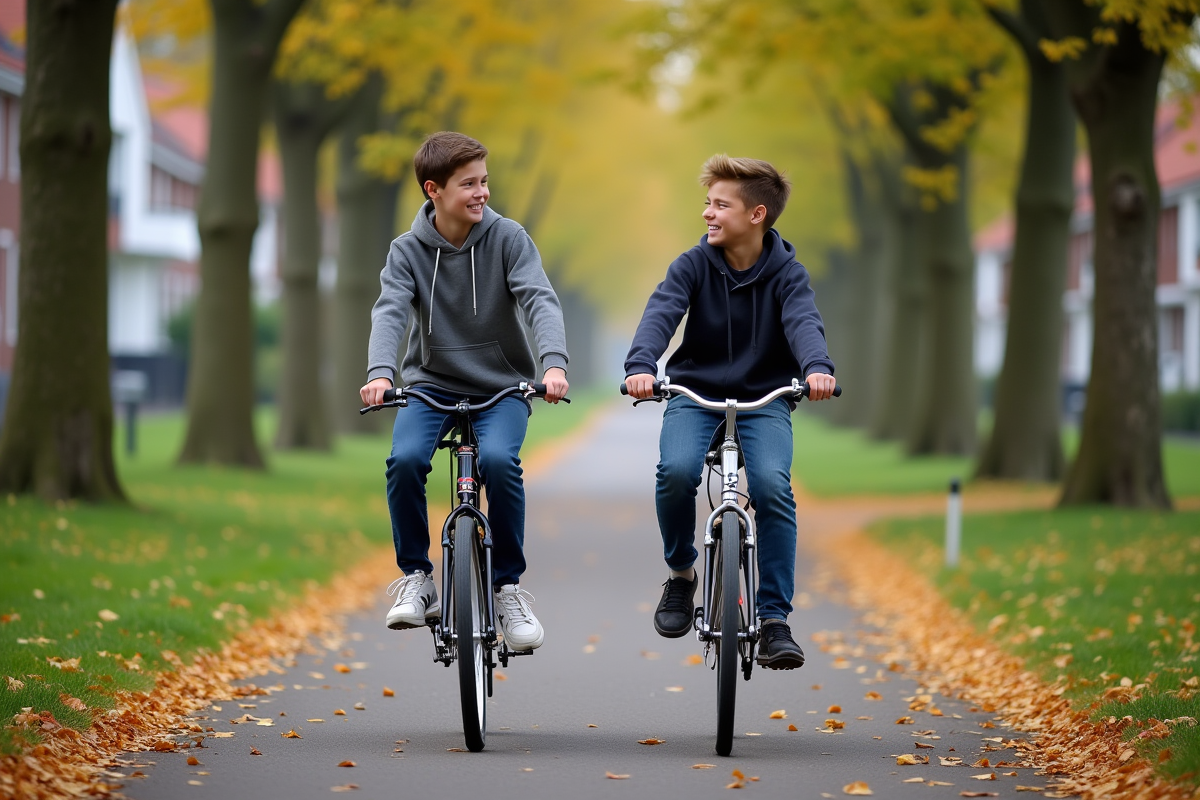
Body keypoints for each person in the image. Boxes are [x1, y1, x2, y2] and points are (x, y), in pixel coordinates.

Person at [624, 154, 836, 670]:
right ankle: (680, 577)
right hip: (694, 393)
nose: (709, 214)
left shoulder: (788, 272)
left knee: (770, 486)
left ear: (757, 214)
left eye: (721, 205)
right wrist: (641, 364)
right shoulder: (693, 264)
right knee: (675, 473)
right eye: (707, 203)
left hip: (765, 399)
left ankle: (774, 621)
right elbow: (662, 311)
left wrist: (817, 367)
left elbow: (804, 321)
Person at [361, 131, 569, 651]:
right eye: (469, 184)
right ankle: (417, 577)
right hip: (431, 385)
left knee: (499, 462)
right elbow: (389, 309)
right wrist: (381, 373)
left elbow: (539, 300)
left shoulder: (509, 239)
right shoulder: (406, 251)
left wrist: (553, 365)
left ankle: (507, 589)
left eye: (485, 181)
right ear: (433, 189)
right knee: (405, 460)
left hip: (502, 387)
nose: (482, 193)